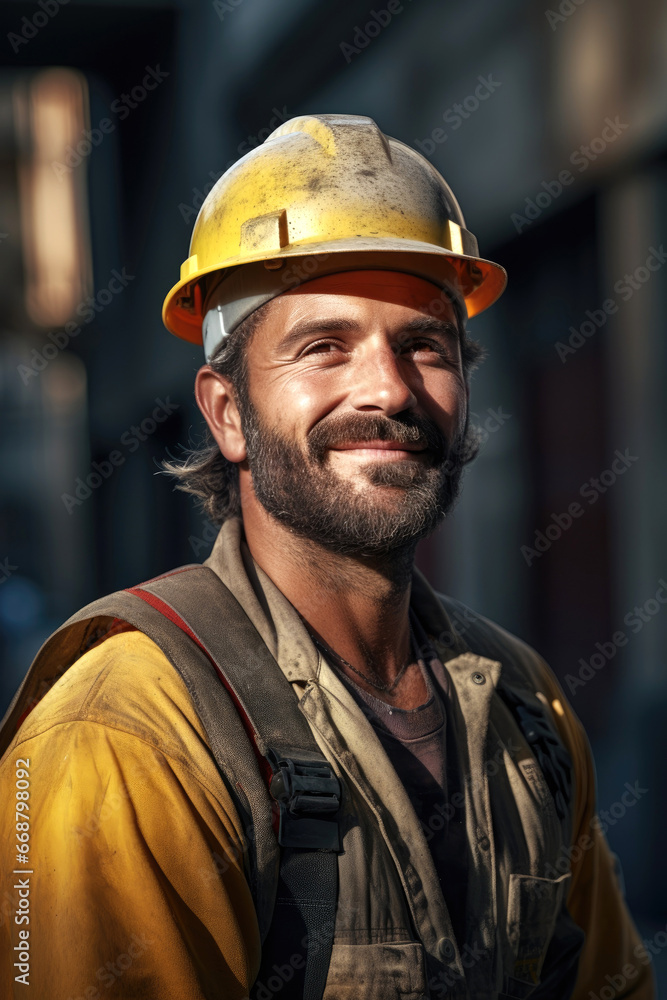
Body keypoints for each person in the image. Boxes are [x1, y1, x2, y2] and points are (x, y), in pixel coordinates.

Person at [0, 114, 654, 1000]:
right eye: (323, 348)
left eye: (424, 345)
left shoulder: (522, 699)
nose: (387, 389)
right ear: (227, 412)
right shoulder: (126, 731)